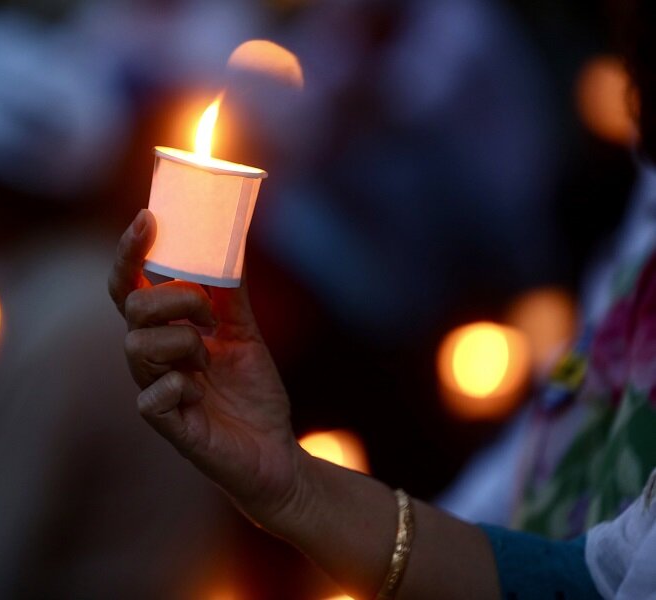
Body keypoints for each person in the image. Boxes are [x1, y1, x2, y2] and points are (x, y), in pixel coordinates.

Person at [107, 0, 656, 597]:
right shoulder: (645, 223)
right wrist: (297, 486)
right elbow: (575, 549)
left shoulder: (462, 46)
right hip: (354, 311)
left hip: (455, 305)